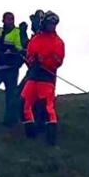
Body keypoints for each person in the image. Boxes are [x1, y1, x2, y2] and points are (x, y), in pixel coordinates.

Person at [21, 11, 65, 145]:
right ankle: (30, 134)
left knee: (47, 107)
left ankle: (51, 139)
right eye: (50, 23)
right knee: (24, 103)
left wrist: (44, 61)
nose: (51, 26)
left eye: (54, 24)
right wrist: (32, 59)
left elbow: (58, 61)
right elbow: (29, 56)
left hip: (47, 77)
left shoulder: (58, 42)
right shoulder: (36, 39)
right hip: (34, 75)